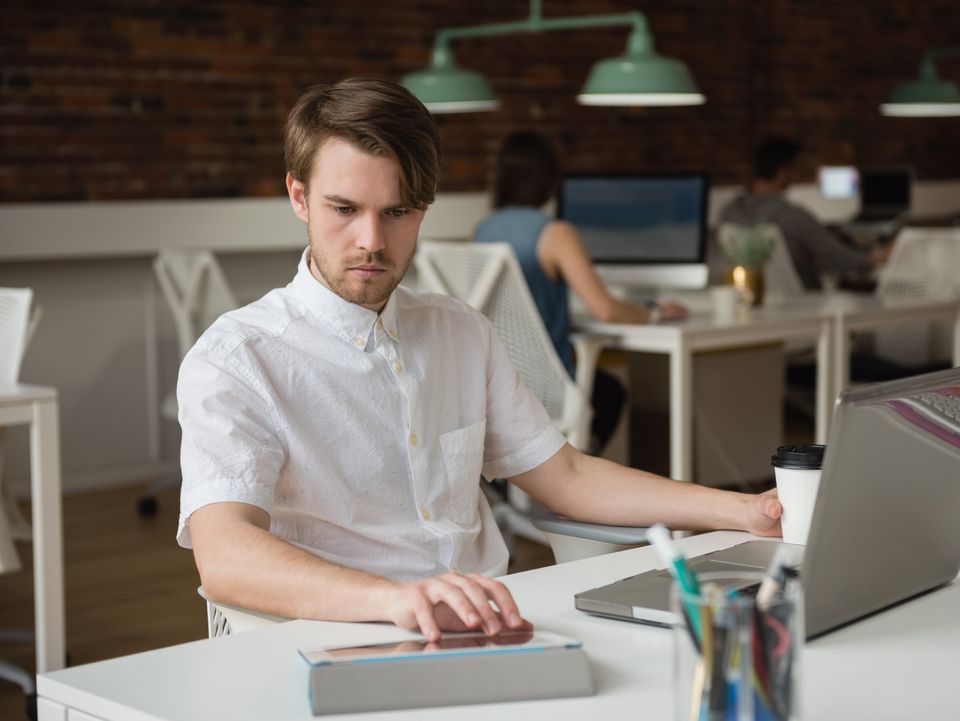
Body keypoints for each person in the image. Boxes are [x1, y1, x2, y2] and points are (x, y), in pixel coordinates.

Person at [177, 78, 781, 644]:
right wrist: (395, 600)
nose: (372, 240)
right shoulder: (238, 358)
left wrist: (741, 510)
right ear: (299, 197)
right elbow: (226, 553)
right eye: (344, 209)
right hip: (342, 634)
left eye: (397, 212)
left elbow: (564, 477)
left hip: (493, 624)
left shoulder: (460, 330)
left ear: (424, 208)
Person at [473, 130, 686, 453]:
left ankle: (528, 487)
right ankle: (576, 469)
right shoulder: (554, 233)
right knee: (611, 392)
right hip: (548, 386)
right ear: (549, 177)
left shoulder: (483, 231)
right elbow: (606, 310)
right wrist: (655, 311)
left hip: (497, 383)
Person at [720, 137, 884, 290]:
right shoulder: (793, 217)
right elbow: (835, 257)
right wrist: (877, 257)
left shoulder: (728, 213)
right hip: (803, 304)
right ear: (783, 173)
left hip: (750, 299)